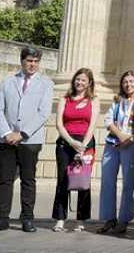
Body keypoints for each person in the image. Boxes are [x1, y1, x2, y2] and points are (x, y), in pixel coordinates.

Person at [0, 46, 54, 234]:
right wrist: (7, 133)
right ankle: (2, 219)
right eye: (29, 60)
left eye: (36, 61)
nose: (32, 64)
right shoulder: (7, 82)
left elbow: (43, 113)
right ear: (22, 61)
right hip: (6, 140)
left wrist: (22, 134)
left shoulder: (46, 83)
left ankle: (27, 219)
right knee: (5, 180)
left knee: (28, 180)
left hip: (30, 141)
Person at [52, 68, 100, 232]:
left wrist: (83, 147)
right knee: (63, 181)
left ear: (89, 83)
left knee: (83, 182)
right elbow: (59, 124)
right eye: (77, 79)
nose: (79, 82)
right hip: (66, 143)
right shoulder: (64, 99)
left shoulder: (94, 100)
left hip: (86, 144)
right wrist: (72, 142)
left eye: (83, 80)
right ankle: (60, 219)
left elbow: (92, 125)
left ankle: (81, 219)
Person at [98, 70, 134, 235]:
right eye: (125, 82)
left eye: (131, 81)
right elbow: (108, 120)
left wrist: (129, 139)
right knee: (107, 180)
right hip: (113, 143)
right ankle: (109, 218)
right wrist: (120, 136)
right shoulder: (118, 100)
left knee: (128, 184)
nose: (128, 84)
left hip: (132, 145)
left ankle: (124, 220)